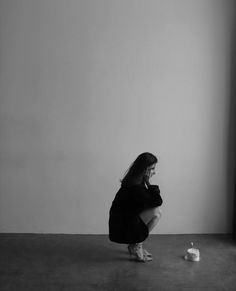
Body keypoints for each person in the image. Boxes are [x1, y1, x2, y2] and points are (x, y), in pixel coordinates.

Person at [109, 152, 163, 262]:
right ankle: (137, 246)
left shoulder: (134, 180)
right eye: (152, 169)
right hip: (123, 226)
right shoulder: (136, 187)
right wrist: (149, 182)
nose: (154, 172)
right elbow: (158, 201)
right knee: (157, 213)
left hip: (125, 220)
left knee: (157, 211)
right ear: (144, 170)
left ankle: (135, 244)